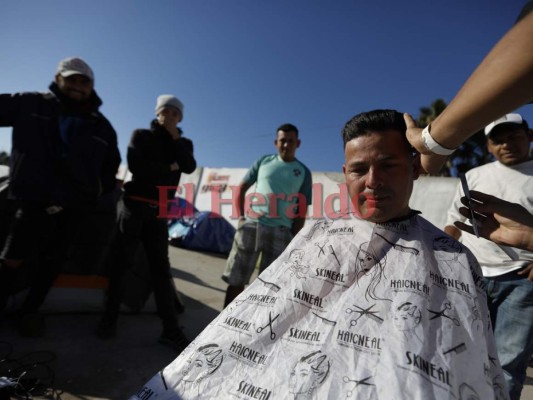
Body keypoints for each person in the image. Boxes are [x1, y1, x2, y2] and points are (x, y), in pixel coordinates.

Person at [130, 110, 507, 400]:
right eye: (359, 169)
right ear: (345, 175)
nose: (372, 181)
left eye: (388, 165)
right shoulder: (319, 234)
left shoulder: (452, 260)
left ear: (415, 167)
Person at [0, 57, 121, 337]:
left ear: (91, 86)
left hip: (74, 208)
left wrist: (95, 191)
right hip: (33, 200)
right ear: (58, 79)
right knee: (12, 257)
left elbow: (110, 167)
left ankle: (29, 312)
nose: (77, 86)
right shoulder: (31, 103)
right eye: (72, 79)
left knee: (53, 262)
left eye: (84, 81)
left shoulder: (103, 127)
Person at [96, 94, 196, 353]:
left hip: (159, 212)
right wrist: (169, 166)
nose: (170, 116)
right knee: (122, 264)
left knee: (161, 270)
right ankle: (109, 319)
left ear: (180, 118)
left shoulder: (183, 142)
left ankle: (170, 330)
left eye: (175, 113)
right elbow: (138, 167)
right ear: (157, 113)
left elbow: (188, 166)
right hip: (133, 208)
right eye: (166, 111)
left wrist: (174, 145)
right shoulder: (140, 135)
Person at [444, 113, 533, 400]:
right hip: (471, 277)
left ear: (529, 136)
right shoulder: (473, 176)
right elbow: (453, 223)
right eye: (498, 139)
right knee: (462, 353)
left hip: (522, 279)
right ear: (489, 146)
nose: (507, 143)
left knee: (507, 363)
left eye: (514, 135)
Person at [221, 123, 312, 306]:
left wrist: (294, 239)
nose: (286, 145)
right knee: (236, 280)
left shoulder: (303, 172)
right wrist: (241, 217)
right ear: (275, 142)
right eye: (282, 141)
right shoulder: (263, 162)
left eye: (290, 141)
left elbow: (301, 209)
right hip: (251, 226)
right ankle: (221, 326)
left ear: (298, 143)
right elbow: (241, 188)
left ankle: (254, 330)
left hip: (281, 232)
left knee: (270, 287)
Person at [454, 190, 533, 251]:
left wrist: (527, 236)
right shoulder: (471, 175)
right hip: (473, 263)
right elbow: (454, 217)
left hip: (520, 265)